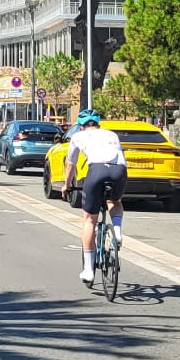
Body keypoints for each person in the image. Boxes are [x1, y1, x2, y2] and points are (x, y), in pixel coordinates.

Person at [63, 108, 125, 286]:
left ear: (81, 126)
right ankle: (118, 232)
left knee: (89, 219)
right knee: (115, 201)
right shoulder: (111, 134)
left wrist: (67, 185)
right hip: (119, 170)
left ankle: (89, 269)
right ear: (98, 124)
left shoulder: (78, 137)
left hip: (96, 170)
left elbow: (71, 164)